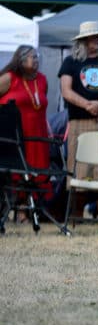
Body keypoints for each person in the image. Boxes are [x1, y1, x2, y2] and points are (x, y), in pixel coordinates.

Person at [59, 21, 98, 215]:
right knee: (78, 167)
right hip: (79, 121)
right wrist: (87, 104)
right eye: (94, 37)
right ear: (83, 41)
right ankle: (75, 217)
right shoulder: (71, 62)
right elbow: (66, 91)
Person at [0, 45, 52, 209]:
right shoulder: (10, 78)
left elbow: (41, 106)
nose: (35, 60)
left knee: (37, 172)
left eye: (37, 57)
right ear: (20, 60)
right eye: (31, 57)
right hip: (15, 135)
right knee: (18, 171)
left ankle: (35, 209)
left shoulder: (42, 79)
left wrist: (48, 128)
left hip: (38, 135)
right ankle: (20, 210)